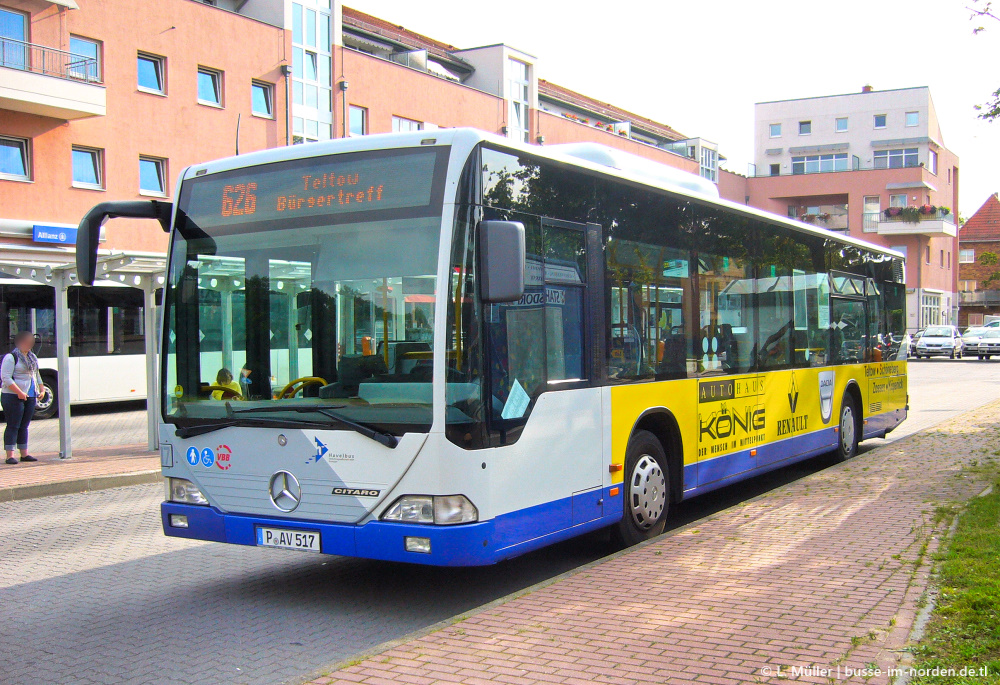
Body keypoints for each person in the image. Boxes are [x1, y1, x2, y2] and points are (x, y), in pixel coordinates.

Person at [1, 331, 46, 465]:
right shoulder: (11, 357)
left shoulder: (32, 357)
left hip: (30, 395)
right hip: (12, 396)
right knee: (13, 425)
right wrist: (19, 392)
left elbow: (36, 374)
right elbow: (6, 378)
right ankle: (10, 455)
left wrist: (41, 389)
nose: (28, 345)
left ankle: (24, 454)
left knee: (24, 425)